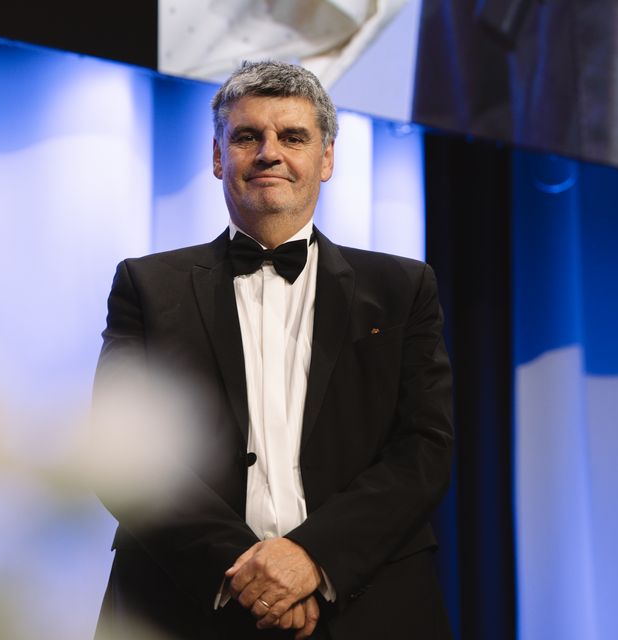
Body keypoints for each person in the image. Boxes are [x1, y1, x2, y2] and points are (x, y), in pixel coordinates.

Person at [94, 60, 454, 639]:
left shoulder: (403, 287)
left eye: (292, 137)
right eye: (246, 136)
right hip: (182, 603)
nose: (269, 153)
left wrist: (312, 558)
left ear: (326, 159)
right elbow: (121, 449)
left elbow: (424, 449)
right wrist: (247, 573)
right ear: (218, 157)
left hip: (368, 607)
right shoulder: (146, 285)